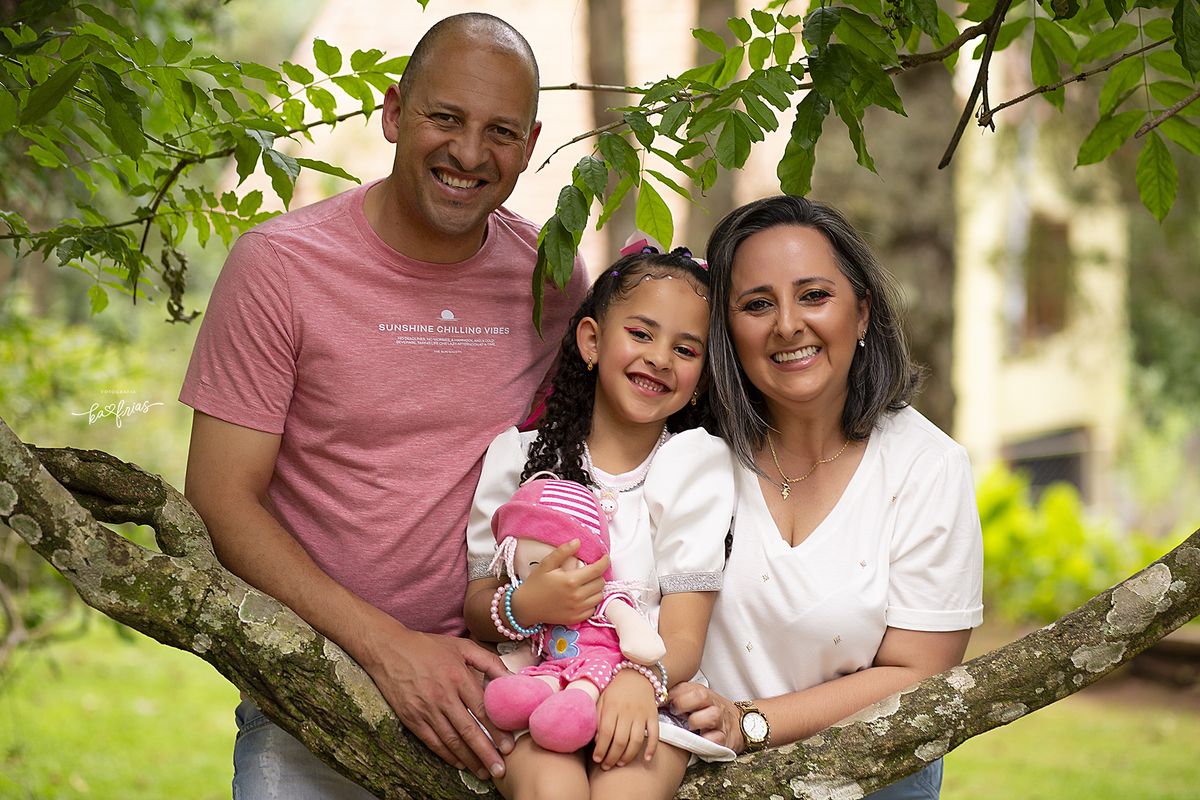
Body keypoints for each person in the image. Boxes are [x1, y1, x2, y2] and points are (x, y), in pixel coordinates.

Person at [180, 13, 587, 798]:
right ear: (395, 112)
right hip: (314, 685)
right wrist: (389, 649)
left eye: (500, 130)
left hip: (501, 690)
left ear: (531, 144)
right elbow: (221, 499)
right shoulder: (281, 266)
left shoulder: (552, 279)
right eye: (445, 118)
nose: (470, 154)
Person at [669, 195, 984, 799]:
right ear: (726, 332)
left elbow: (919, 673)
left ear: (862, 313)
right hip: (693, 778)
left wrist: (748, 722)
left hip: (868, 782)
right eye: (757, 304)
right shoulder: (687, 453)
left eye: (814, 295)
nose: (788, 324)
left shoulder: (927, 466)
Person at [464, 246, 736, 800]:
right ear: (591, 341)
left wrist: (641, 679)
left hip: (644, 695)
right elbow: (476, 609)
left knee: (626, 787)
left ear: (702, 377)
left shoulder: (694, 467)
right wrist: (525, 606)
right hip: (537, 685)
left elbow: (684, 633)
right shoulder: (518, 461)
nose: (660, 358)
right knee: (549, 784)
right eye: (641, 334)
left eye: (686, 349)